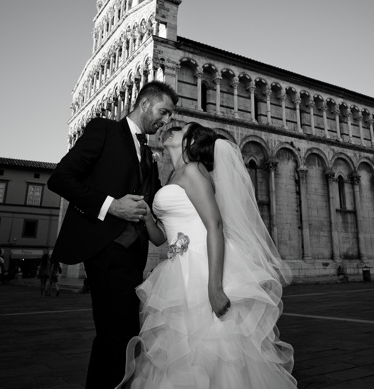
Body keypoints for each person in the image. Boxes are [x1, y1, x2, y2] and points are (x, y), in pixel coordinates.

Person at [116, 123, 296, 388]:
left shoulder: (192, 170)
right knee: (180, 350)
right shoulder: (172, 175)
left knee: (212, 347)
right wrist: (145, 215)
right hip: (177, 267)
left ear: (189, 142)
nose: (171, 130)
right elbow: (160, 238)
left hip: (201, 265)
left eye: (180, 130)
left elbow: (215, 225)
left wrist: (214, 287)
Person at [48, 80, 177, 389]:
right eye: (163, 111)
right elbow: (61, 178)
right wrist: (111, 206)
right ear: (145, 104)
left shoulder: (148, 154)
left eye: (170, 116)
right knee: (119, 336)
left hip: (133, 257)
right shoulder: (104, 130)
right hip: (106, 248)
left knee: (117, 336)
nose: (166, 121)